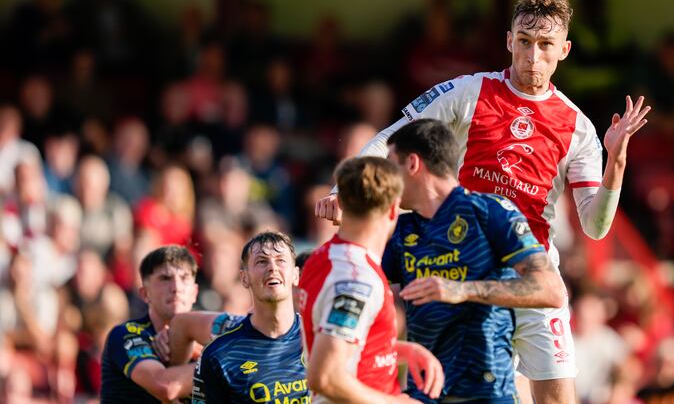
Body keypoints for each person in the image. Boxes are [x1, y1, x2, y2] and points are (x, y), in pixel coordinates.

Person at [316, 0, 651, 403]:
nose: (533, 57)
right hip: (461, 267)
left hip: (532, 275)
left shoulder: (578, 127)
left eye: (545, 45)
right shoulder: (469, 92)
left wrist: (615, 160)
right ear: (509, 40)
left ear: (563, 49)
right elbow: (393, 139)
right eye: (525, 43)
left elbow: (596, 227)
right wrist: (341, 189)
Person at [384, 119, 564, 403]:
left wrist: (462, 290)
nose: (386, 180)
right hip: (424, 394)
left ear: (412, 164)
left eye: (389, 167)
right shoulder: (399, 229)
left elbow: (552, 291)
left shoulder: (489, 212)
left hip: (486, 392)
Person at [300, 157, 443, 403]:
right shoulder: (356, 281)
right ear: (392, 209)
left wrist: (399, 350)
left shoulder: (324, 257)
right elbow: (324, 376)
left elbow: (344, 347)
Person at [191, 231, 307, 403]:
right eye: (261, 261)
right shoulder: (220, 355)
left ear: (296, 275)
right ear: (244, 278)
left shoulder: (321, 339)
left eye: (281, 260)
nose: (272, 268)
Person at [100, 245, 199, 402]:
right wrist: (219, 362)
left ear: (194, 293)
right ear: (145, 294)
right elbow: (167, 386)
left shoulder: (204, 345)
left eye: (184, 278)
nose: (176, 287)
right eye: (165, 278)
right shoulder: (125, 334)